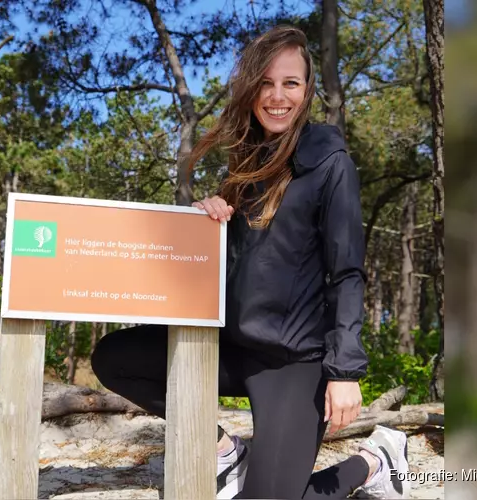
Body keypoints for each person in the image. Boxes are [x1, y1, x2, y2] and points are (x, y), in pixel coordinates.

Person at [91, 25, 411, 499]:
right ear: (250, 89)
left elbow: (346, 273)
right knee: (115, 358)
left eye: (291, 83)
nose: (276, 96)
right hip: (233, 344)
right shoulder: (246, 159)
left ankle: (373, 463)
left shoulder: (328, 160)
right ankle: (226, 452)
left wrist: (344, 373)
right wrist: (209, 216)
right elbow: (236, 259)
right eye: (265, 83)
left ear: (307, 91)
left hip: (293, 361)